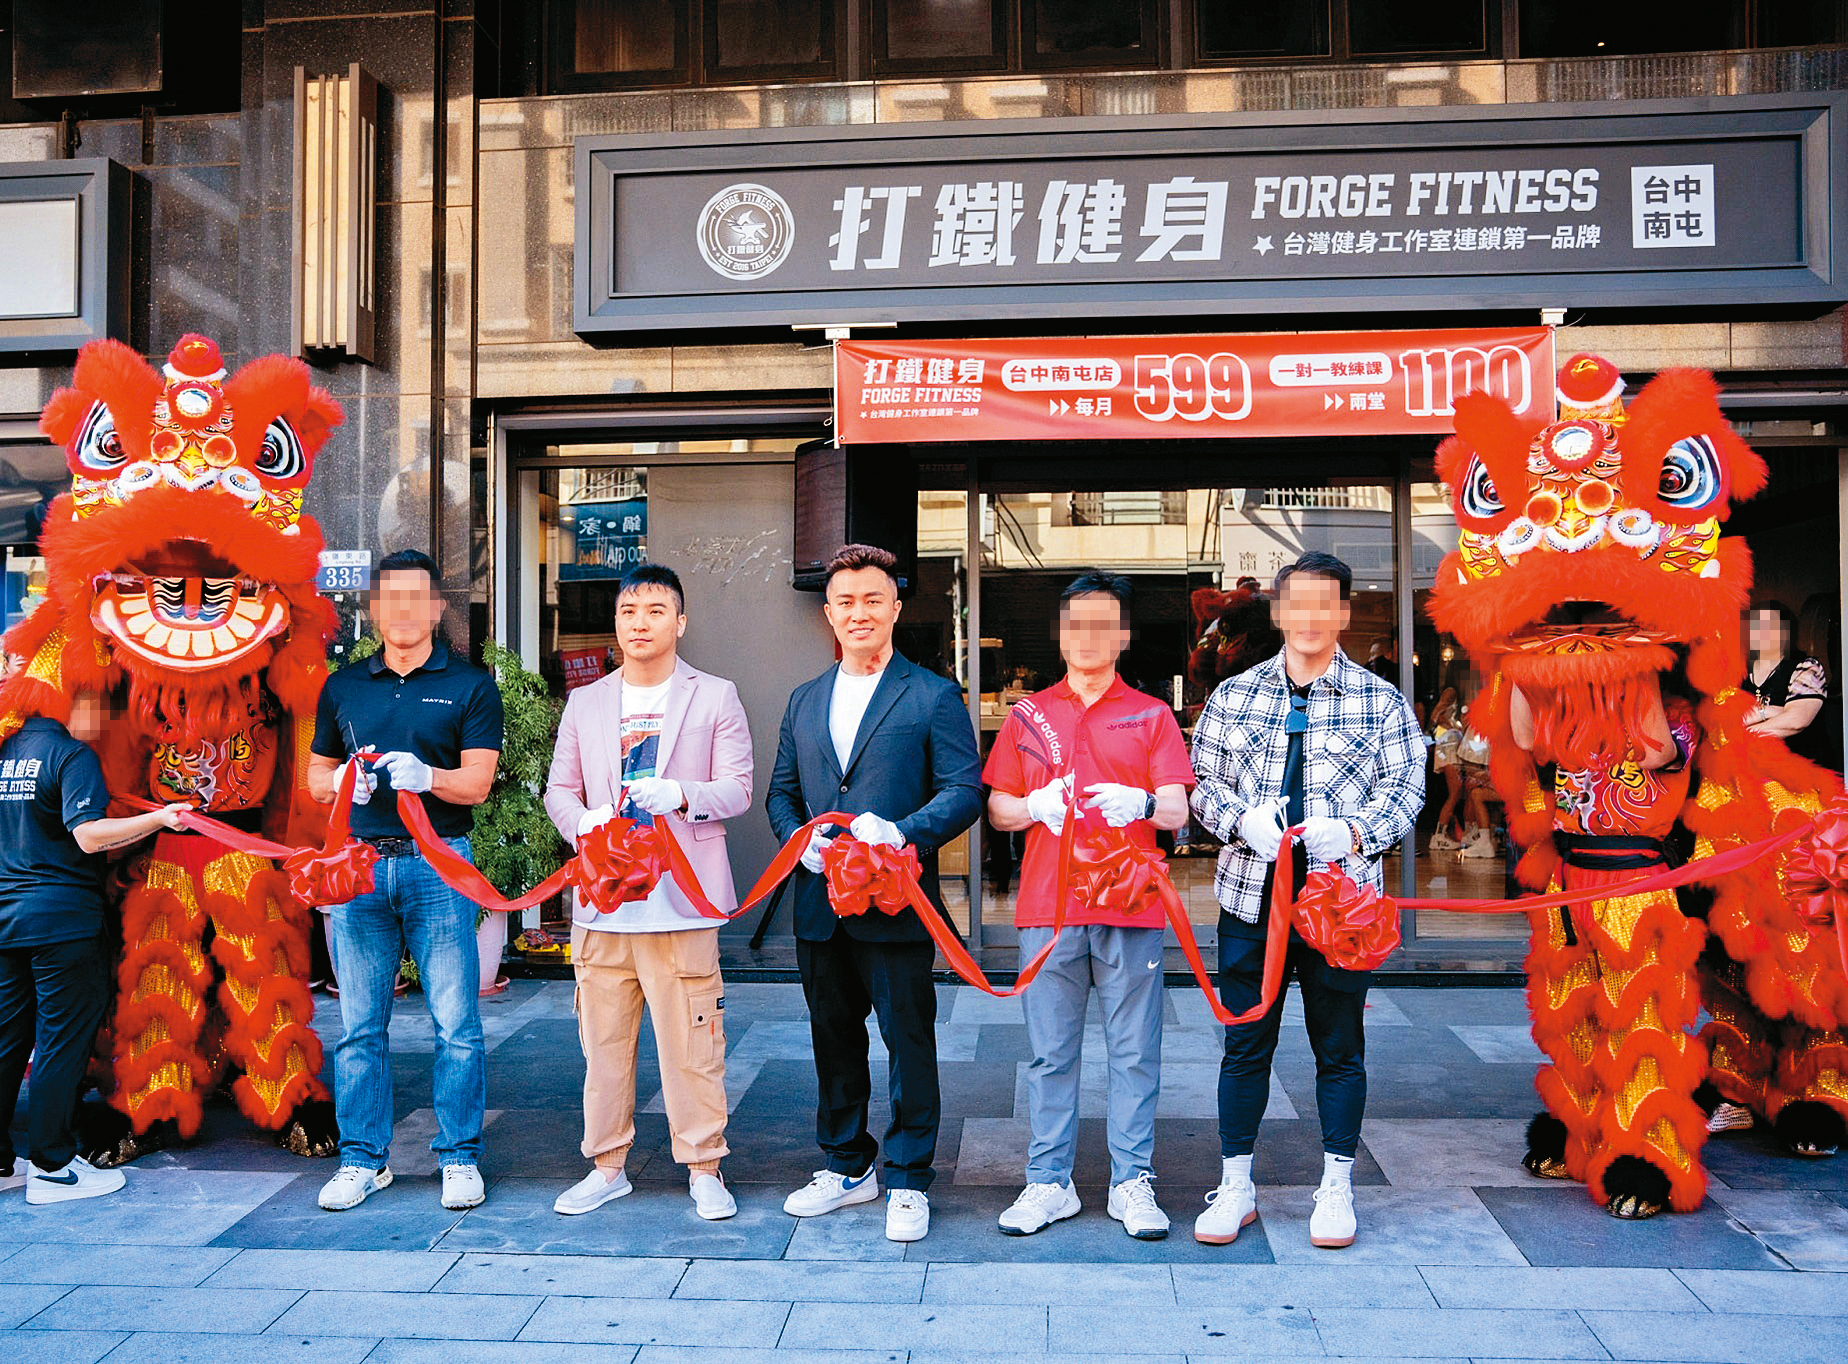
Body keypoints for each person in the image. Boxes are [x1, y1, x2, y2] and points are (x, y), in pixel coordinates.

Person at [1188, 551, 1424, 1249]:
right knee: (1244, 1043)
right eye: (1300, 603)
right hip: (1249, 899)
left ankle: (1337, 1186)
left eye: (1328, 603)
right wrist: (1238, 822)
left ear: (1344, 613)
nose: (1313, 617)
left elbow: (1407, 789)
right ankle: (1235, 1186)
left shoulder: (1382, 700)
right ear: (1280, 611)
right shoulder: (1236, 695)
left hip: (1339, 905)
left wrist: (1354, 831)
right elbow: (1202, 785)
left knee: (1340, 1046)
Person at [767, 542, 982, 1243]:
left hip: (896, 903)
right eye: (845, 601)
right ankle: (846, 1164)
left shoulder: (931, 694)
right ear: (828, 612)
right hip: (819, 905)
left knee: (907, 1040)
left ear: (894, 607)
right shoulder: (803, 699)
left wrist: (903, 832)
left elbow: (965, 789)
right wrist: (801, 843)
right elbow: (782, 793)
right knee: (832, 1038)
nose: (858, 612)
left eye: (871, 599)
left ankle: (910, 1176)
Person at [983, 570, 1195, 1240]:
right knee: (1050, 1054)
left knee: (1135, 1051)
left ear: (1123, 635)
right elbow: (998, 807)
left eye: (1104, 623)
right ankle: (1050, 1182)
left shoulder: (1152, 715)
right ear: (1063, 632)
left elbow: (1179, 806)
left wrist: (1147, 805)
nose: (1090, 636)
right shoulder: (1028, 715)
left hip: (1131, 906)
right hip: (1048, 909)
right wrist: (1034, 806)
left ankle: (1133, 1181)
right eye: (1078, 622)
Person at [544, 562, 753, 1221]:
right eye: (630, 610)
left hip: (682, 903)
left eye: (656, 610)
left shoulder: (715, 696)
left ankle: (704, 1168)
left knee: (694, 1043)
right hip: (605, 904)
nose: (640, 621)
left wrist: (683, 795)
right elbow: (558, 791)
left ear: (680, 622)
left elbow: (739, 788)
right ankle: (607, 1166)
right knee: (602, 1045)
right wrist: (584, 823)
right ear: (616, 622)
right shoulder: (586, 702)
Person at [307, 549, 503, 1213]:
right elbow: (313, 780)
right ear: (375, 607)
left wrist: (430, 777)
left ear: (438, 607)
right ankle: (363, 1160)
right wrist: (340, 784)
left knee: (456, 1024)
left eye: (417, 597)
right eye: (391, 596)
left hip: (438, 864)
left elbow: (476, 780)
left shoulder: (472, 685)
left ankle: (459, 1157)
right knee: (360, 1026)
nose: (404, 609)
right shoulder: (344, 687)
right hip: (359, 869)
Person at [0, 691, 189, 1203]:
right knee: (61, 1044)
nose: (104, 722)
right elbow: (88, 835)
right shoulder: (72, 755)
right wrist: (160, 819)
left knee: (9, 1041)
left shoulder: (5, 751)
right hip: (62, 920)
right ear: (71, 704)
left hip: (6, 918)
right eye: (101, 708)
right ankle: (54, 1167)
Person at [1427, 686, 1465, 852]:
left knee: (1457, 792)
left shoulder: (1451, 713)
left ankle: (1442, 833)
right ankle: (1439, 834)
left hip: (1451, 753)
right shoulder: (1442, 715)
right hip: (1448, 753)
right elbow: (1436, 725)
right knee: (1455, 792)